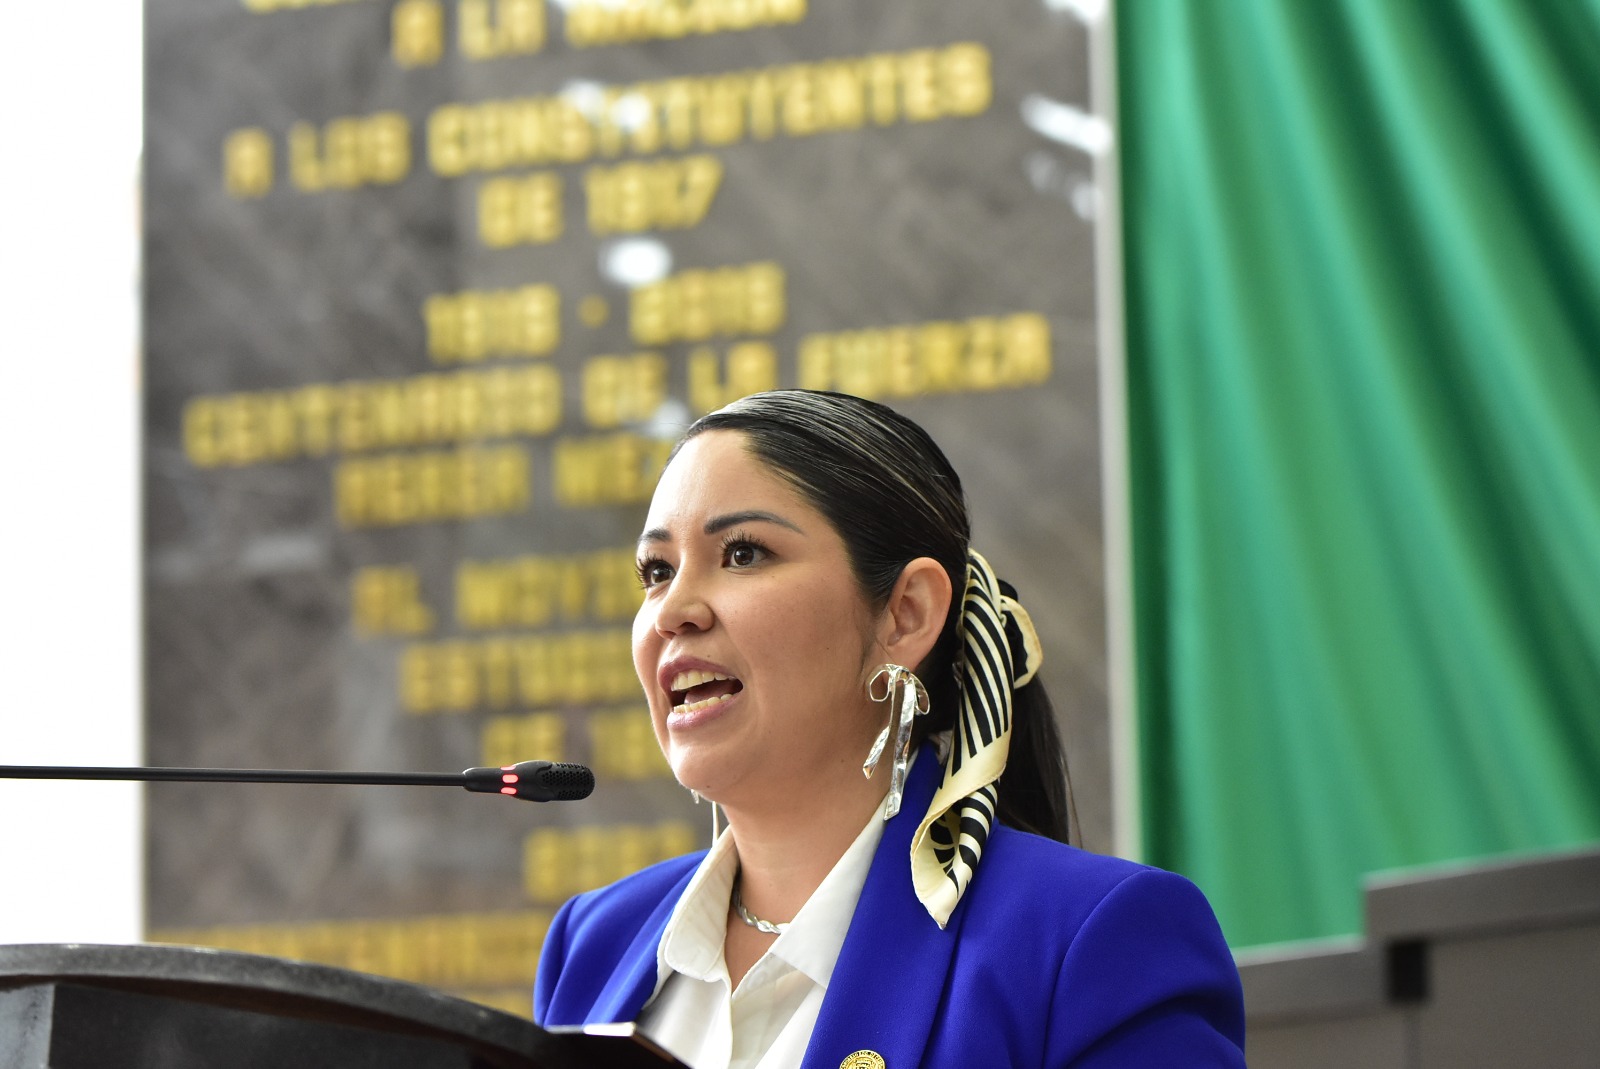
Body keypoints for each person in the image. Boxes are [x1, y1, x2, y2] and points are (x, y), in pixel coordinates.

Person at [534, 390, 1246, 1068]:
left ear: (906, 614)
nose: (671, 611)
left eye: (743, 553)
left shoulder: (1094, 941)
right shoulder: (593, 944)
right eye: (656, 570)